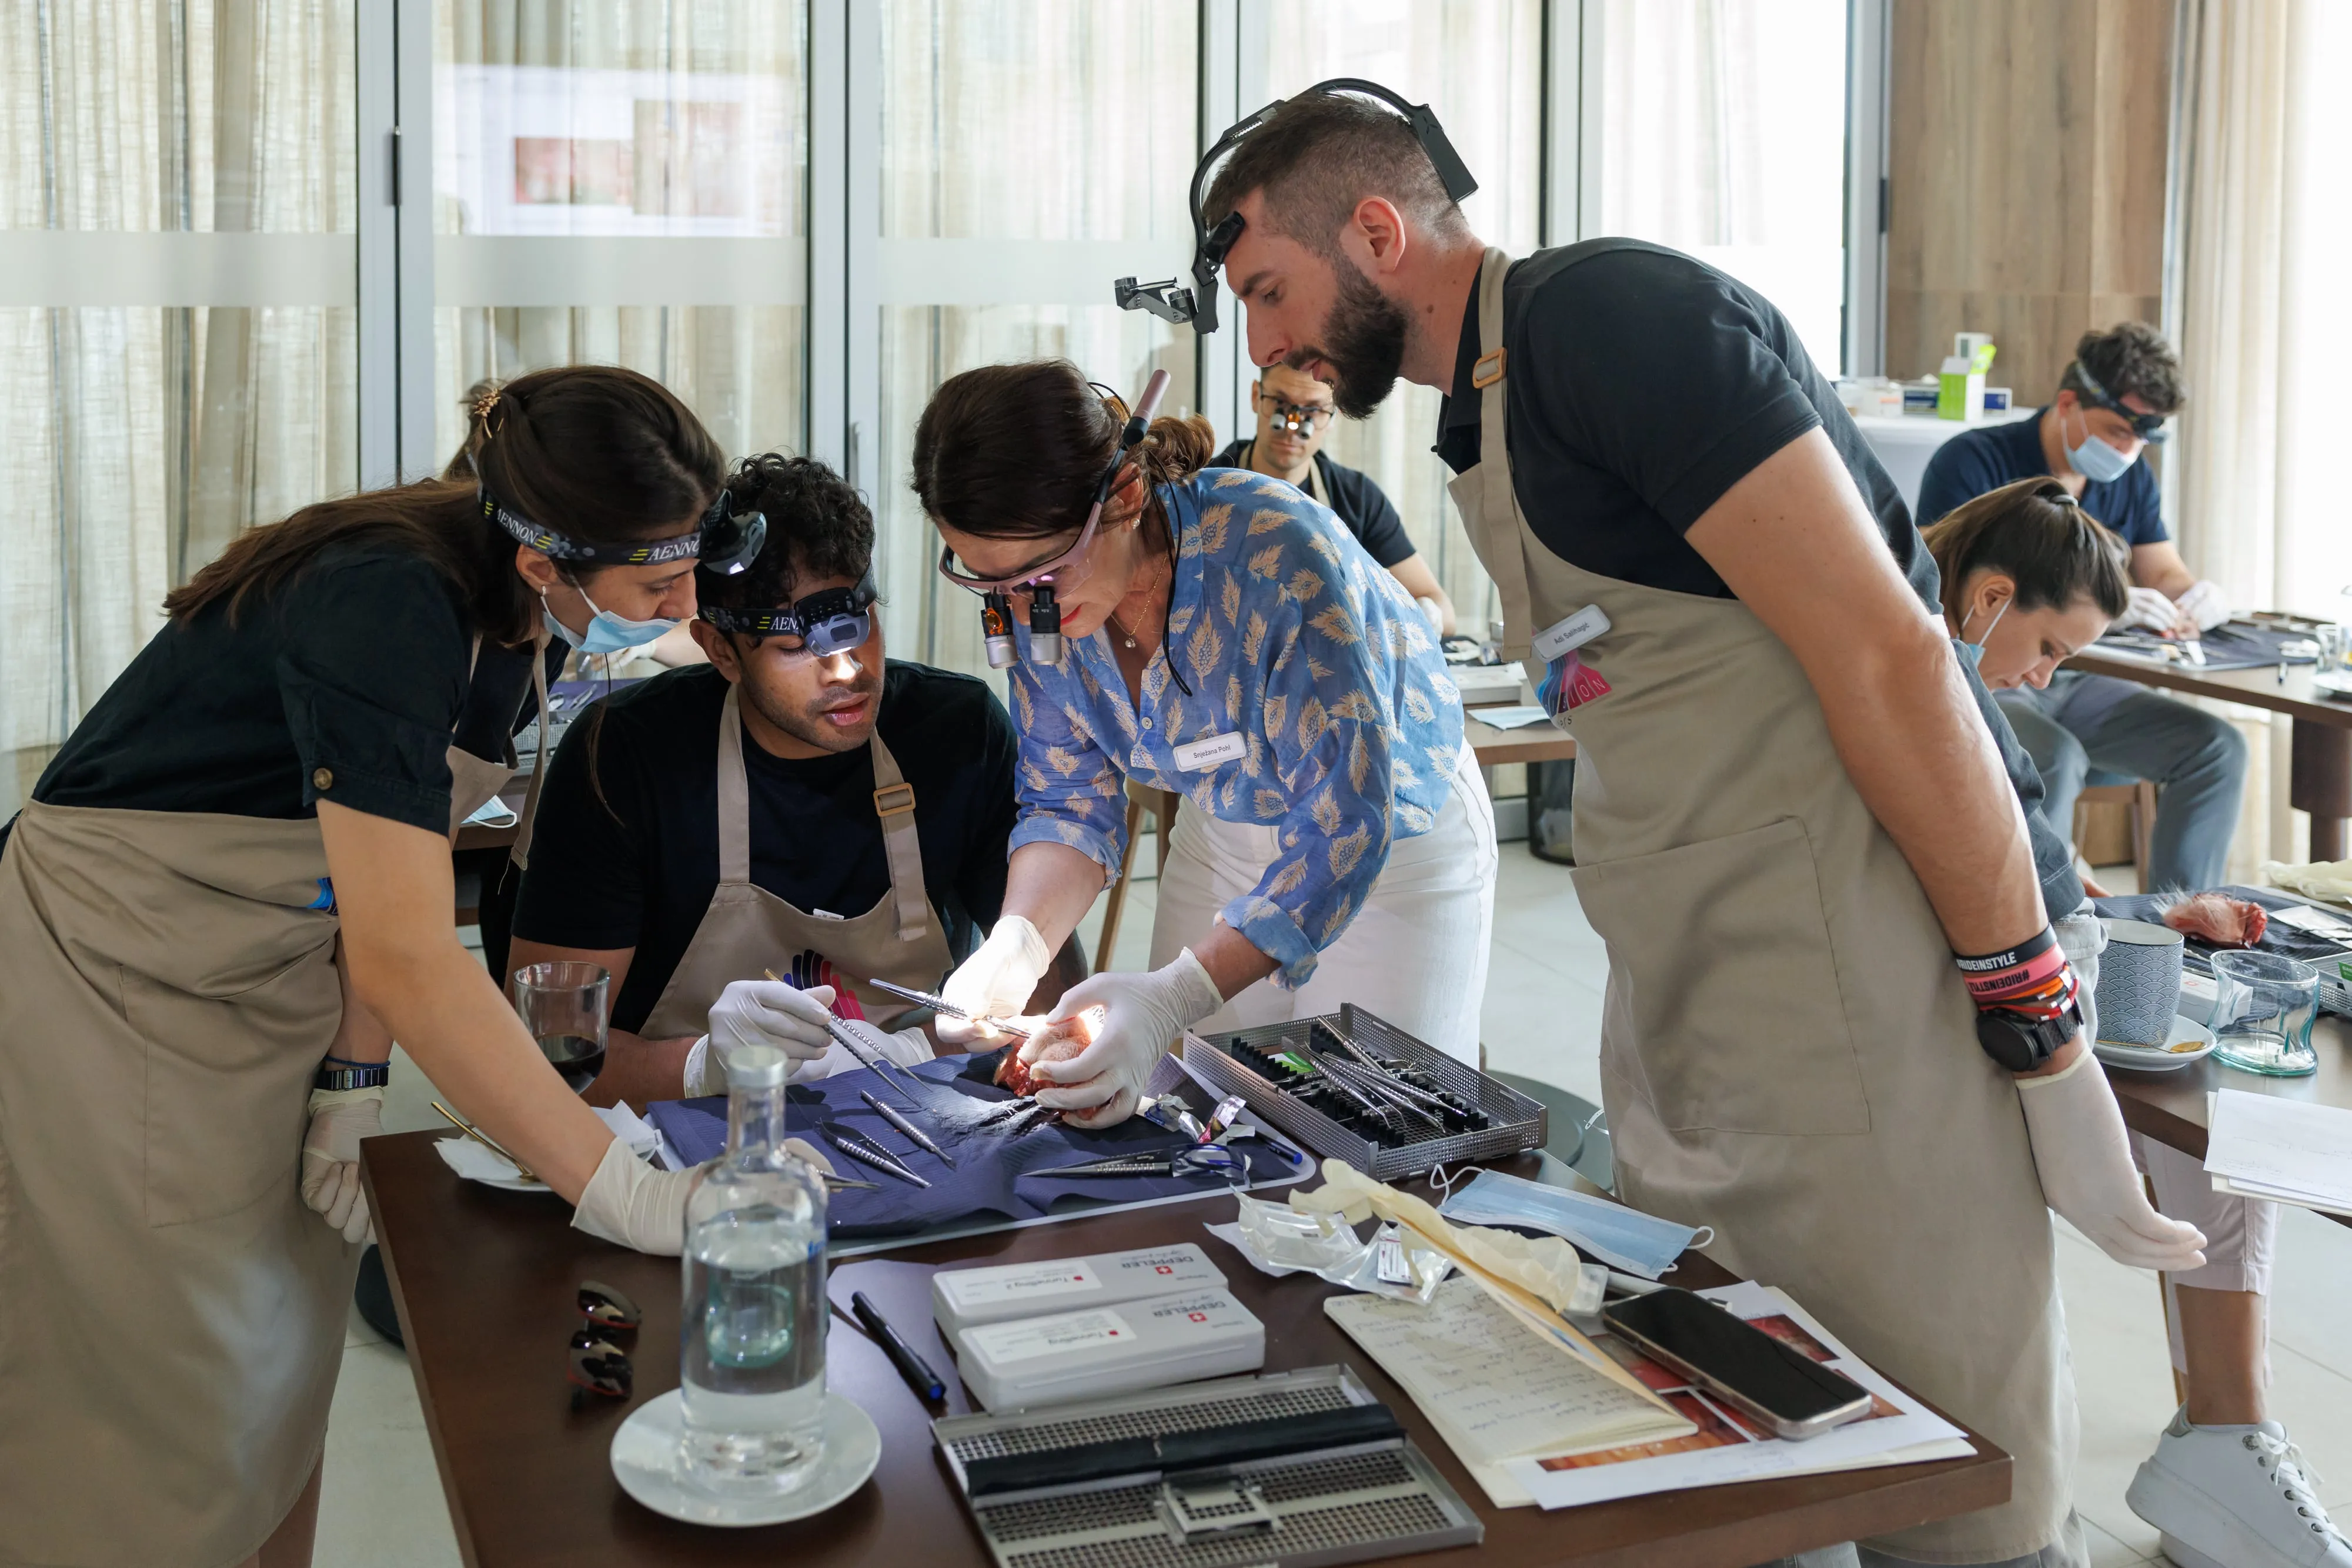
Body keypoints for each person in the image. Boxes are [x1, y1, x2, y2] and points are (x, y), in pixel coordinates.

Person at [1190, 85, 2207, 1568]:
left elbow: (1892, 658)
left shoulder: (1610, 326)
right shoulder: (1484, 414)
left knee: (1941, 1478)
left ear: (1375, 233)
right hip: (1696, 999)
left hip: (1857, 990)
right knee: (1743, 1450)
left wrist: (2038, 1027)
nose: (1265, 345)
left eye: (1268, 290)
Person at [0, 366, 726, 1568]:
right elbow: (406, 946)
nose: (687, 605)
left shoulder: (517, 610)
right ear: (544, 558)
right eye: (658, 584)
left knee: (282, 1341)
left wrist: (353, 1070)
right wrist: (620, 1189)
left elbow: (383, 864)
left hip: (274, 949)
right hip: (119, 960)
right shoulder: (385, 599)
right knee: (170, 1364)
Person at [910, 358, 1497, 1119]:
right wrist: (1016, 944)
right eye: (990, 587)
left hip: (1392, 832)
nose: (1022, 616)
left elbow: (1345, 826)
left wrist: (1176, 995)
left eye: (1038, 579)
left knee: (1377, 1129)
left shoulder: (1274, 556)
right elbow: (1066, 802)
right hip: (1225, 823)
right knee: (1186, 1107)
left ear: (1124, 497)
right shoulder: (1033, 601)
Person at [507, 452, 1068, 1108]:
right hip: (686, 1125)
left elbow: (1050, 987)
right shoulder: (625, 754)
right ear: (721, 650)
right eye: (797, 646)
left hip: (915, 1106)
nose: (846, 671)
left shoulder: (956, 732)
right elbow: (549, 1047)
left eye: (857, 624)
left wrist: (916, 1049)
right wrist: (704, 1069)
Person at [1918, 323, 2246, 894]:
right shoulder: (1976, 462)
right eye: (2117, 431)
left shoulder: (2130, 480)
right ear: (2069, 402)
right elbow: (1943, 581)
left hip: (2082, 676)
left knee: (2218, 748)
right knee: (2051, 756)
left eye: (2141, 439)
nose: (2127, 452)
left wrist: (2196, 596)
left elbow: (2165, 572)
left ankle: (2178, 924)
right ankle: (2039, 909)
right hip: (1990, 670)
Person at [1211, 360, 1456, 633]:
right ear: (1256, 396)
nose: (1293, 426)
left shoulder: (1358, 500)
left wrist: (1416, 620)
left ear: (1334, 415)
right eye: (1280, 403)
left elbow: (1442, 609)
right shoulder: (1204, 489)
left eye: (1313, 410)